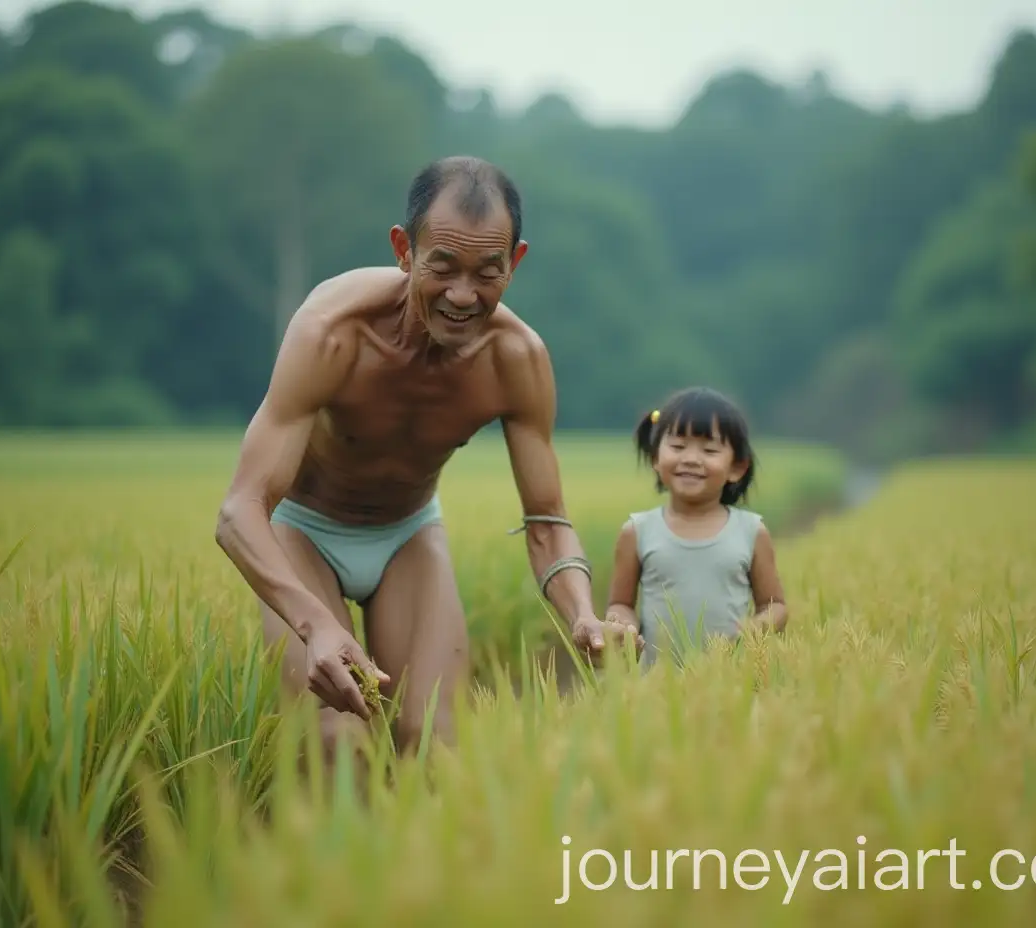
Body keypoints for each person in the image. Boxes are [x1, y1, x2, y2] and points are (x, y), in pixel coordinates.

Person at [214, 156, 641, 764]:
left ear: (514, 263)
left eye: (487, 273)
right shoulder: (332, 331)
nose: (463, 296)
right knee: (338, 742)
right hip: (304, 531)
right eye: (442, 267)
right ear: (404, 250)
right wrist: (317, 625)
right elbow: (240, 511)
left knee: (433, 742)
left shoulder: (516, 359)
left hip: (406, 533)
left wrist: (582, 615)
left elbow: (547, 518)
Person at [603, 387, 788, 665]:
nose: (690, 459)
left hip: (729, 680)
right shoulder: (637, 531)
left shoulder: (751, 531)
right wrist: (623, 627)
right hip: (655, 684)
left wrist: (756, 628)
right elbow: (620, 603)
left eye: (710, 450)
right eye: (677, 447)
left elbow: (775, 606)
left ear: (736, 467)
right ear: (656, 457)